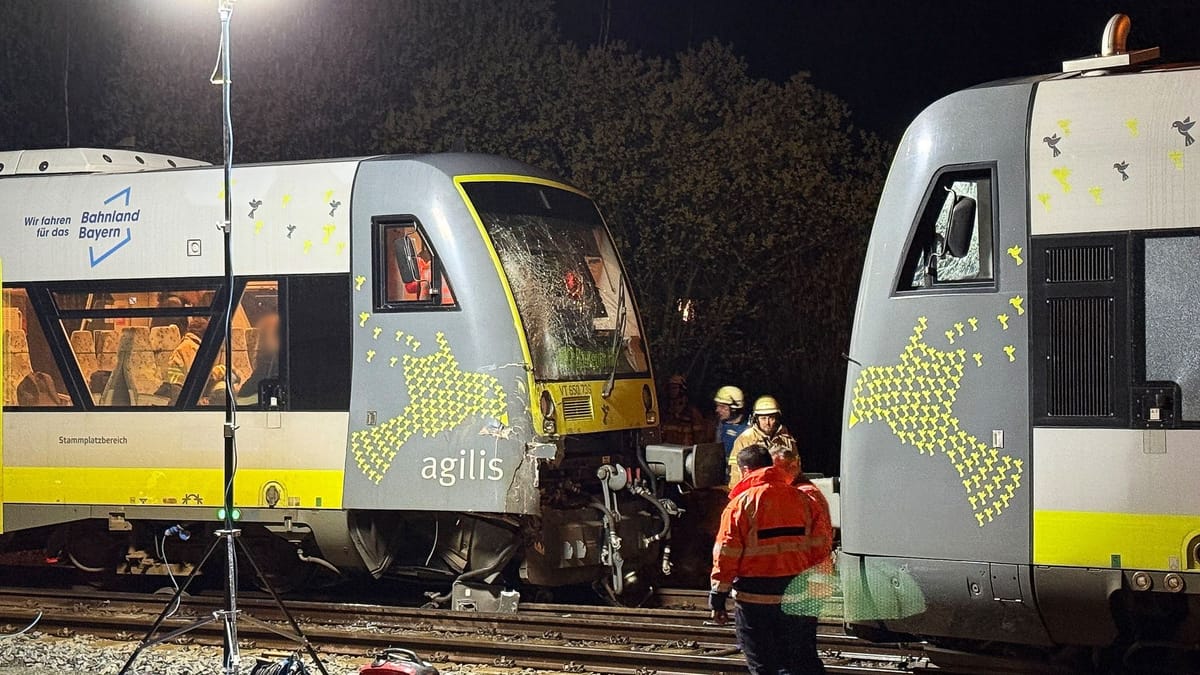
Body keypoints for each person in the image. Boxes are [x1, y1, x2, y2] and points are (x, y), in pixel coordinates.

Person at [710, 444, 829, 675]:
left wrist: (718, 597)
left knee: (765, 666)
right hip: (798, 597)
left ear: (745, 470)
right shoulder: (803, 499)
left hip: (755, 602)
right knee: (801, 664)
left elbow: (726, 554)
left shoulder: (739, 505)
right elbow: (820, 548)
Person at [728, 395, 798, 489]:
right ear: (756, 419)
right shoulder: (745, 440)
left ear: (777, 418)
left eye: (771, 418)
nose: (767, 423)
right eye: (763, 418)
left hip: (781, 489)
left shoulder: (786, 439)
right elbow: (736, 474)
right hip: (754, 490)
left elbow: (795, 468)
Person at [159, 316, 209, 403]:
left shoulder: (192, 344)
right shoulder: (189, 346)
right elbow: (194, 373)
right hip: (179, 387)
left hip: (181, 386)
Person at [660, 374, 711, 446]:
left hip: (686, 450)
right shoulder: (665, 412)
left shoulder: (692, 413)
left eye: (674, 388)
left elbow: (700, 438)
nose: (671, 391)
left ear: (682, 389)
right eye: (669, 388)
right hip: (669, 450)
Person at [713, 385, 750, 463]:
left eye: (722, 407)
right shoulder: (720, 425)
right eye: (717, 406)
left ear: (734, 408)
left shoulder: (748, 431)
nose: (717, 410)